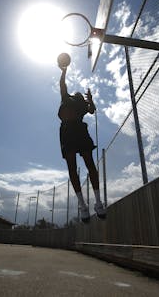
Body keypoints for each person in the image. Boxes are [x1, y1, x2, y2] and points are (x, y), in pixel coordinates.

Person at [58, 64, 106, 223]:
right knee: (73, 166)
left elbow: (92, 110)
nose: (79, 93)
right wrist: (64, 72)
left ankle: (98, 203)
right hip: (68, 131)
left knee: (89, 164)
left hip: (78, 130)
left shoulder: (81, 104)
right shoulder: (67, 98)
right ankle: (82, 205)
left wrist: (91, 101)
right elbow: (62, 85)